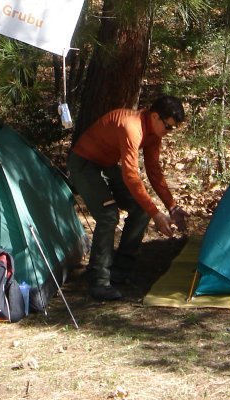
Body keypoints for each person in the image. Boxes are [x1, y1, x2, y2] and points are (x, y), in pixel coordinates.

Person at [67, 95, 189, 301]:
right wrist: (156, 213)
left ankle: (120, 270)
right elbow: (131, 175)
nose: (169, 133)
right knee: (108, 214)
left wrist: (172, 206)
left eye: (173, 129)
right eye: (168, 127)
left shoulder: (153, 133)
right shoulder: (131, 128)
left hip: (105, 165)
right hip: (84, 163)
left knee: (140, 210)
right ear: (155, 117)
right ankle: (99, 280)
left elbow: (153, 171)